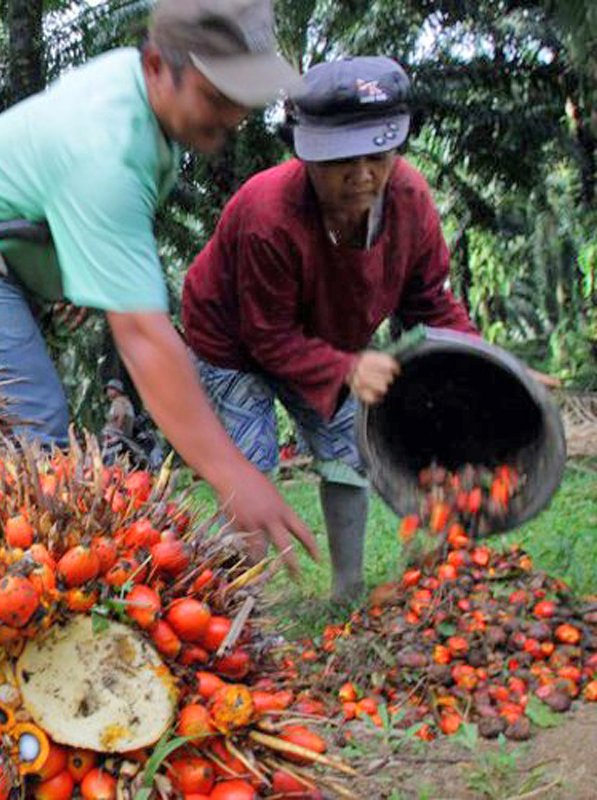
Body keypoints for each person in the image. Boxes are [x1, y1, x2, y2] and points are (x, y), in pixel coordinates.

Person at [0, 0, 318, 572]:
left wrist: (58, 267)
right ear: (159, 66)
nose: (233, 116)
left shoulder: (137, 98)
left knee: (28, 457)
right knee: (32, 446)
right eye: (216, 97)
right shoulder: (107, 150)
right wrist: (233, 472)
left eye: (243, 99)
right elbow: (142, 336)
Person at [181, 56, 479, 600]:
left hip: (327, 342)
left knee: (348, 451)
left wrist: (483, 367)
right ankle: (234, 601)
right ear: (307, 155)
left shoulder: (410, 203)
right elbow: (266, 336)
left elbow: (431, 305)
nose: (362, 174)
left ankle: (348, 589)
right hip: (230, 341)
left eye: (378, 155)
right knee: (250, 467)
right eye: (340, 160)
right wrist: (346, 368)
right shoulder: (269, 215)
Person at [102, 379, 136, 444]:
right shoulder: (123, 401)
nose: (108, 392)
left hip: (119, 435)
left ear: (117, 390)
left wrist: (117, 431)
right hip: (123, 435)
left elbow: (121, 414)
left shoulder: (119, 401)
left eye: (110, 389)